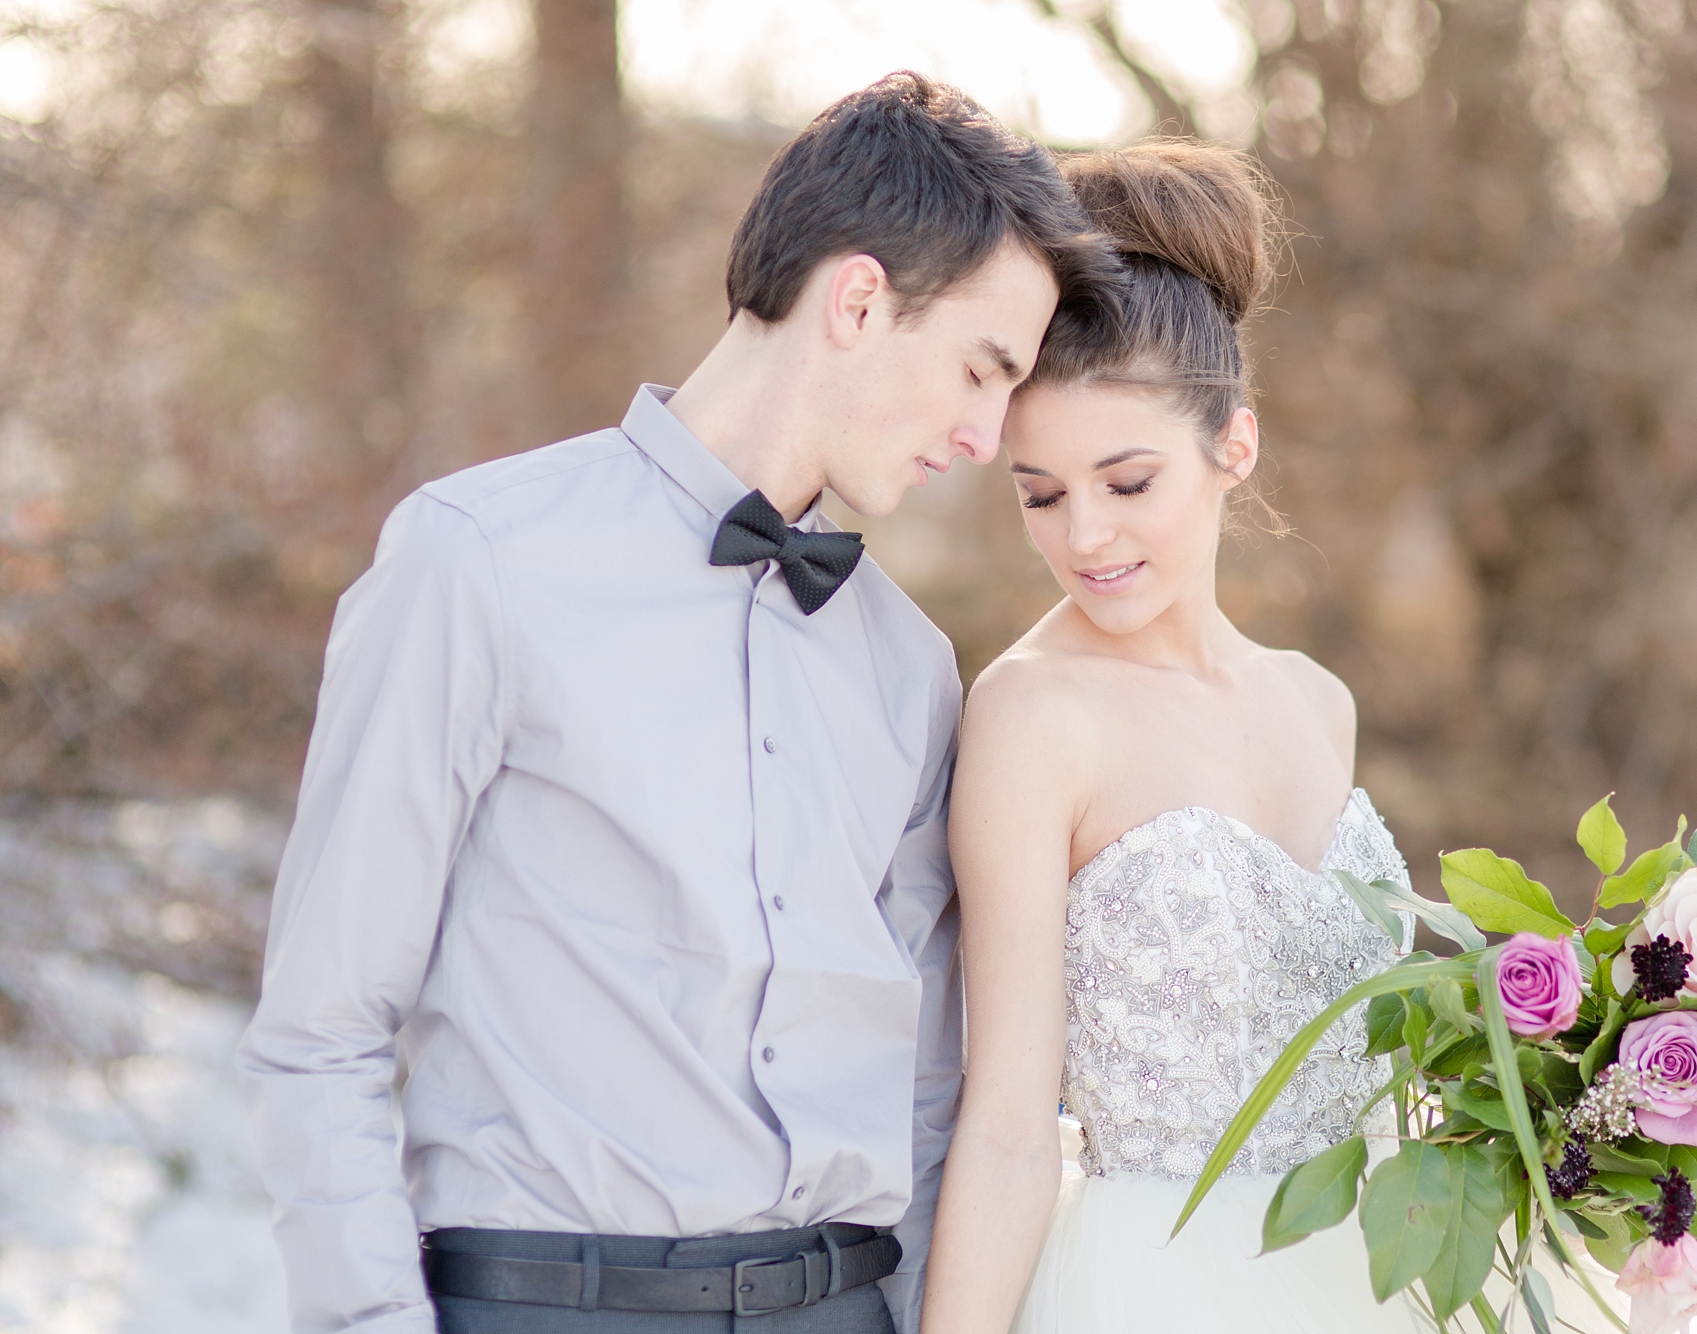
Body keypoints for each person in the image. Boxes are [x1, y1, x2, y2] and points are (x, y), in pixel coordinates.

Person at [236, 73, 1121, 1334]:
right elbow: (321, 1027)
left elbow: (930, 1087)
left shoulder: (913, 669)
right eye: (980, 370)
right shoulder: (475, 560)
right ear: (859, 300)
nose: (986, 437)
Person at [919, 139, 1428, 1334]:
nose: (1083, 533)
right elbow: (1003, 1122)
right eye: (1039, 492)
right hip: (1146, 1285)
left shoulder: (1317, 700)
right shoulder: (1029, 714)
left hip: (1369, 1272)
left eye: (1126, 480)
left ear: (1230, 449)